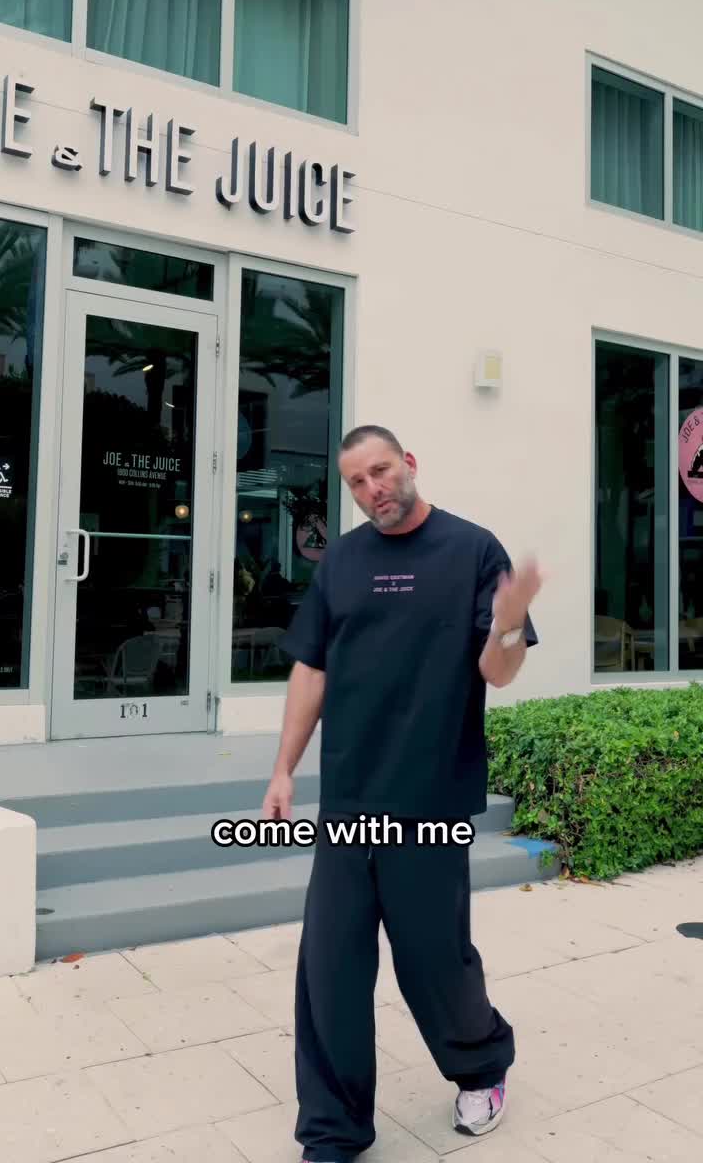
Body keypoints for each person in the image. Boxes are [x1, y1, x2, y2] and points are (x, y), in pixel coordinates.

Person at [261, 425, 542, 1162]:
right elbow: (312, 668)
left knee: (434, 961)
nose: (372, 489)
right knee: (330, 966)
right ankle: (333, 1130)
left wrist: (510, 625)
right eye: (357, 481)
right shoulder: (342, 561)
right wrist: (284, 768)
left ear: (409, 464)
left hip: (431, 798)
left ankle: (482, 1067)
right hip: (349, 797)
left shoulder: (472, 550)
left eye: (381, 471)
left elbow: (497, 671)